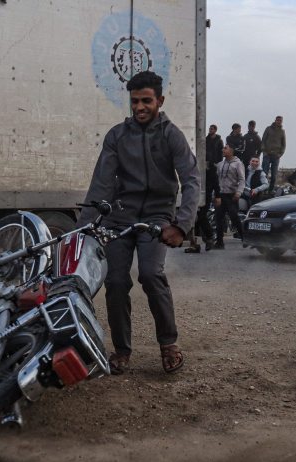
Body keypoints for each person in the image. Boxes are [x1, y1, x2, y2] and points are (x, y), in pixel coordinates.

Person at [80, 71, 200, 375]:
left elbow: (191, 181)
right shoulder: (117, 136)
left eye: (146, 101)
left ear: (160, 100)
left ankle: (169, 344)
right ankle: (121, 350)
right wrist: (83, 229)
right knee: (115, 281)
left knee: (150, 274)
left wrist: (181, 225)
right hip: (120, 216)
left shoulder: (172, 136)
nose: (139, 107)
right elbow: (101, 184)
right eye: (135, 101)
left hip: (157, 216)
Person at [185, 124, 222, 253]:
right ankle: (196, 242)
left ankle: (209, 237)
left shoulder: (210, 166)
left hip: (205, 194)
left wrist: (218, 195)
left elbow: (215, 181)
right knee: (193, 217)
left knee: (201, 216)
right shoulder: (192, 163)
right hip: (194, 193)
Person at [214, 143, 245, 248]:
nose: (223, 150)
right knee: (218, 218)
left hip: (232, 195)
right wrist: (216, 194)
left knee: (234, 217)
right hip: (221, 195)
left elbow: (242, 180)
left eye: (225, 148)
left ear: (231, 151)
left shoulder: (238, 164)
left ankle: (244, 238)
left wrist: (238, 192)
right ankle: (219, 243)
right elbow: (217, 179)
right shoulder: (220, 164)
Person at [261, 116, 286, 192]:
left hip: (276, 156)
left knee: (274, 176)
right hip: (267, 155)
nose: (279, 121)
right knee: (264, 174)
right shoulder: (268, 129)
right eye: (277, 120)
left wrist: (280, 154)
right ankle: (263, 190)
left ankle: (270, 191)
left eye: (280, 120)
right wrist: (264, 152)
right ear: (275, 120)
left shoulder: (282, 131)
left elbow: (284, 145)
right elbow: (263, 140)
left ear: (282, 121)